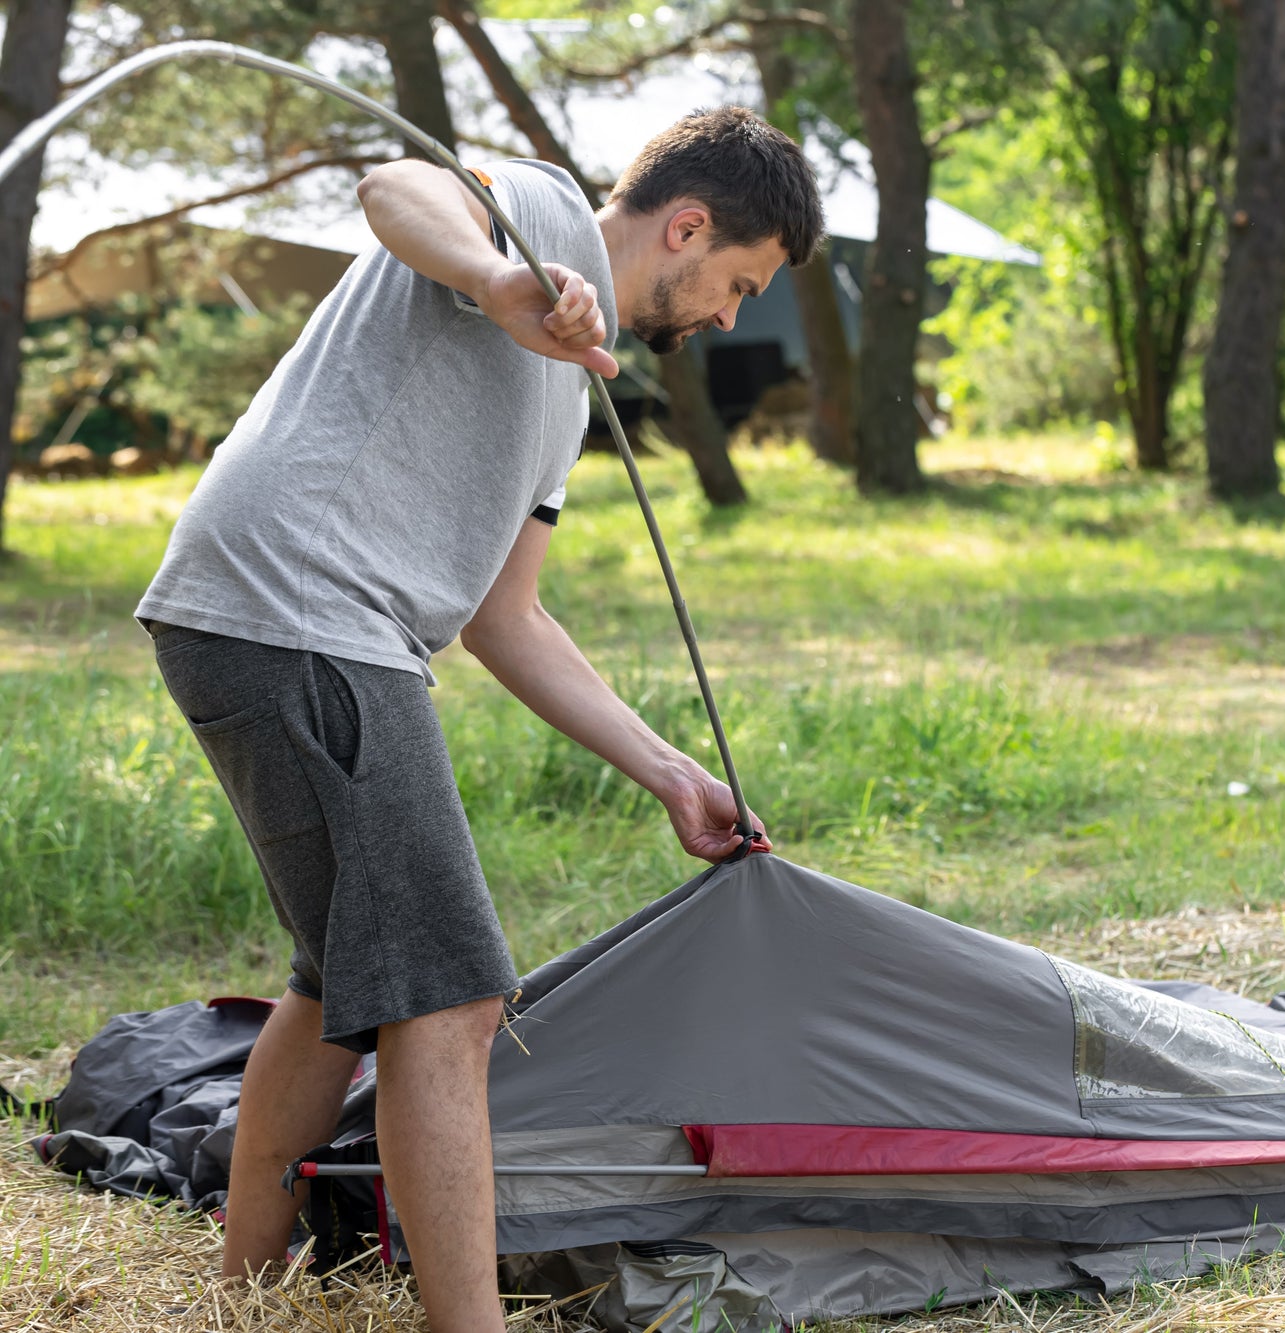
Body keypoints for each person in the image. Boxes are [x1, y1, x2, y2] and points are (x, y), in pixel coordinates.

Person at [134, 107, 825, 1333]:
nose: (728, 316)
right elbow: (397, 182)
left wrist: (670, 773)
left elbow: (506, 619)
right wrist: (501, 277)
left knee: (333, 979)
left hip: (276, 618)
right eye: (738, 283)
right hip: (300, 608)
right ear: (686, 225)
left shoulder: (568, 393)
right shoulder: (545, 217)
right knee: (449, 1001)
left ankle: (247, 1287)